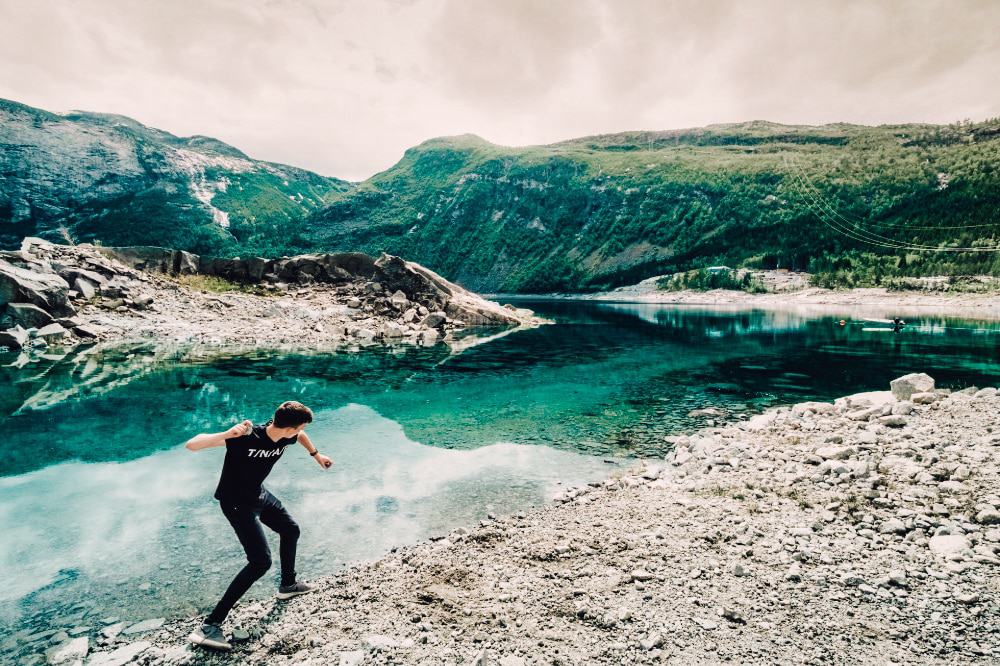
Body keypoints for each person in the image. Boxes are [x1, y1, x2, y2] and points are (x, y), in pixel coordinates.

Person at [183, 400, 334, 651]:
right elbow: (192, 444)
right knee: (260, 562)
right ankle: (209, 626)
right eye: (298, 428)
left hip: (259, 496)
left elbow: (302, 434)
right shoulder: (245, 436)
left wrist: (316, 455)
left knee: (290, 530)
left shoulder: (287, 436)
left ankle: (288, 585)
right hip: (235, 503)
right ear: (288, 428)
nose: (299, 432)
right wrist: (227, 434)